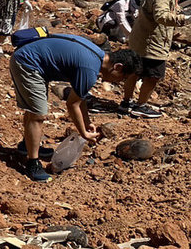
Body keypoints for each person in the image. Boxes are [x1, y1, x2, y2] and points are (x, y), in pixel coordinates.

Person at [10, 33, 141, 182]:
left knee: (35, 109)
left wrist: (87, 122)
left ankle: (26, 145)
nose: (120, 82)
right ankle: (32, 162)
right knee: (37, 114)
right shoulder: (89, 69)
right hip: (28, 63)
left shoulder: (97, 56)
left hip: (32, 59)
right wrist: (83, 133)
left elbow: (80, 97)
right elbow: (72, 104)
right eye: (122, 78)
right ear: (117, 67)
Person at [121, 0, 191, 118]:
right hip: (152, 43)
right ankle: (141, 106)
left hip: (141, 41)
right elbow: (161, 16)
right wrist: (182, 19)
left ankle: (126, 103)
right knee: (153, 76)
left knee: (134, 72)